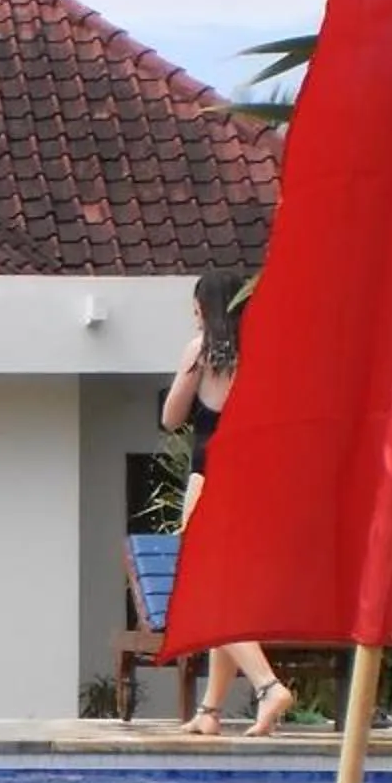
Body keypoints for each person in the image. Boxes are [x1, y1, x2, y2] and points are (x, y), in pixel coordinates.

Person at [160, 270, 294, 737]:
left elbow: (171, 417)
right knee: (228, 595)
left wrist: (189, 368)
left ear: (203, 307)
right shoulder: (264, 353)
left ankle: (267, 685)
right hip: (258, 484)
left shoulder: (199, 351)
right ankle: (211, 710)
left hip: (210, 479)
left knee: (211, 596)